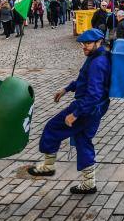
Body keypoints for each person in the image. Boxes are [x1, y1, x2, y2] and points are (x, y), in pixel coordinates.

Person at [28, 28, 111, 194]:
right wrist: (66, 89)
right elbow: (83, 80)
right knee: (83, 140)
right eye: (83, 44)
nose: (84, 47)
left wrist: (75, 114)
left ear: (99, 42)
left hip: (86, 108)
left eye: (88, 43)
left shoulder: (97, 62)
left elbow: (93, 94)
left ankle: (48, 166)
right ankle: (89, 183)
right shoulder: (97, 57)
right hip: (94, 109)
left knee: (52, 128)